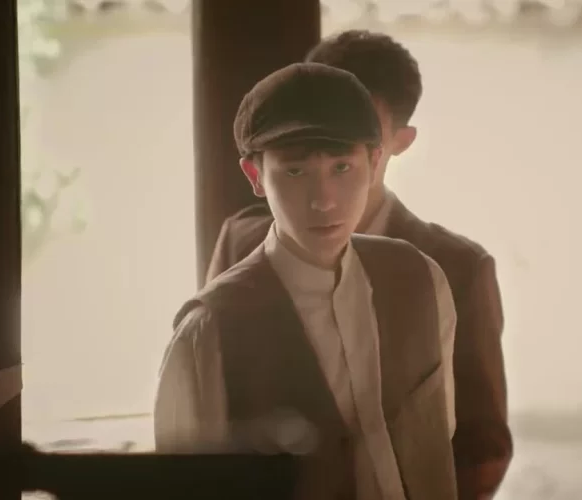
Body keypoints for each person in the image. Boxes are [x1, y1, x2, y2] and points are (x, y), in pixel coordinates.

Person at [206, 30, 512, 499]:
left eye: (356, 122)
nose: (327, 133)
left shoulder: (454, 267)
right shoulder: (241, 239)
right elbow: (212, 402)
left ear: (395, 143)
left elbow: (481, 448)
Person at [154, 62, 459, 500]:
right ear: (256, 177)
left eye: (342, 168)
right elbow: (184, 487)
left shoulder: (421, 281)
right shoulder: (209, 330)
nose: (323, 201)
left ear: (375, 163)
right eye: (295, 172)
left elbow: (438, 435)